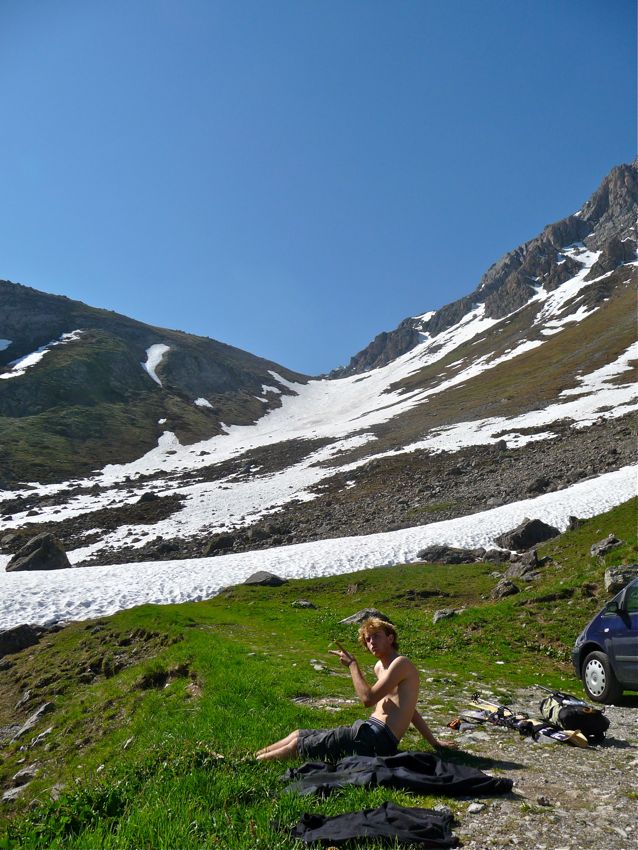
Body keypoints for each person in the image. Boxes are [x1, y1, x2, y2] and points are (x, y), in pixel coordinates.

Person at [256, 617, 456, 761]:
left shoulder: (400, 663)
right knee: (298, 734)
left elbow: (367, 699)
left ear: (390, 638)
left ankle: (251, 764)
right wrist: (434, 742)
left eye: (376, 636)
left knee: (298, 746)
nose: (371, 643)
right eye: (368, 640)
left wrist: (353, 665)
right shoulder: (380, 667)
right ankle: (254, 756)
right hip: (368, 731)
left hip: (378, 739)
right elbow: (409, 709)